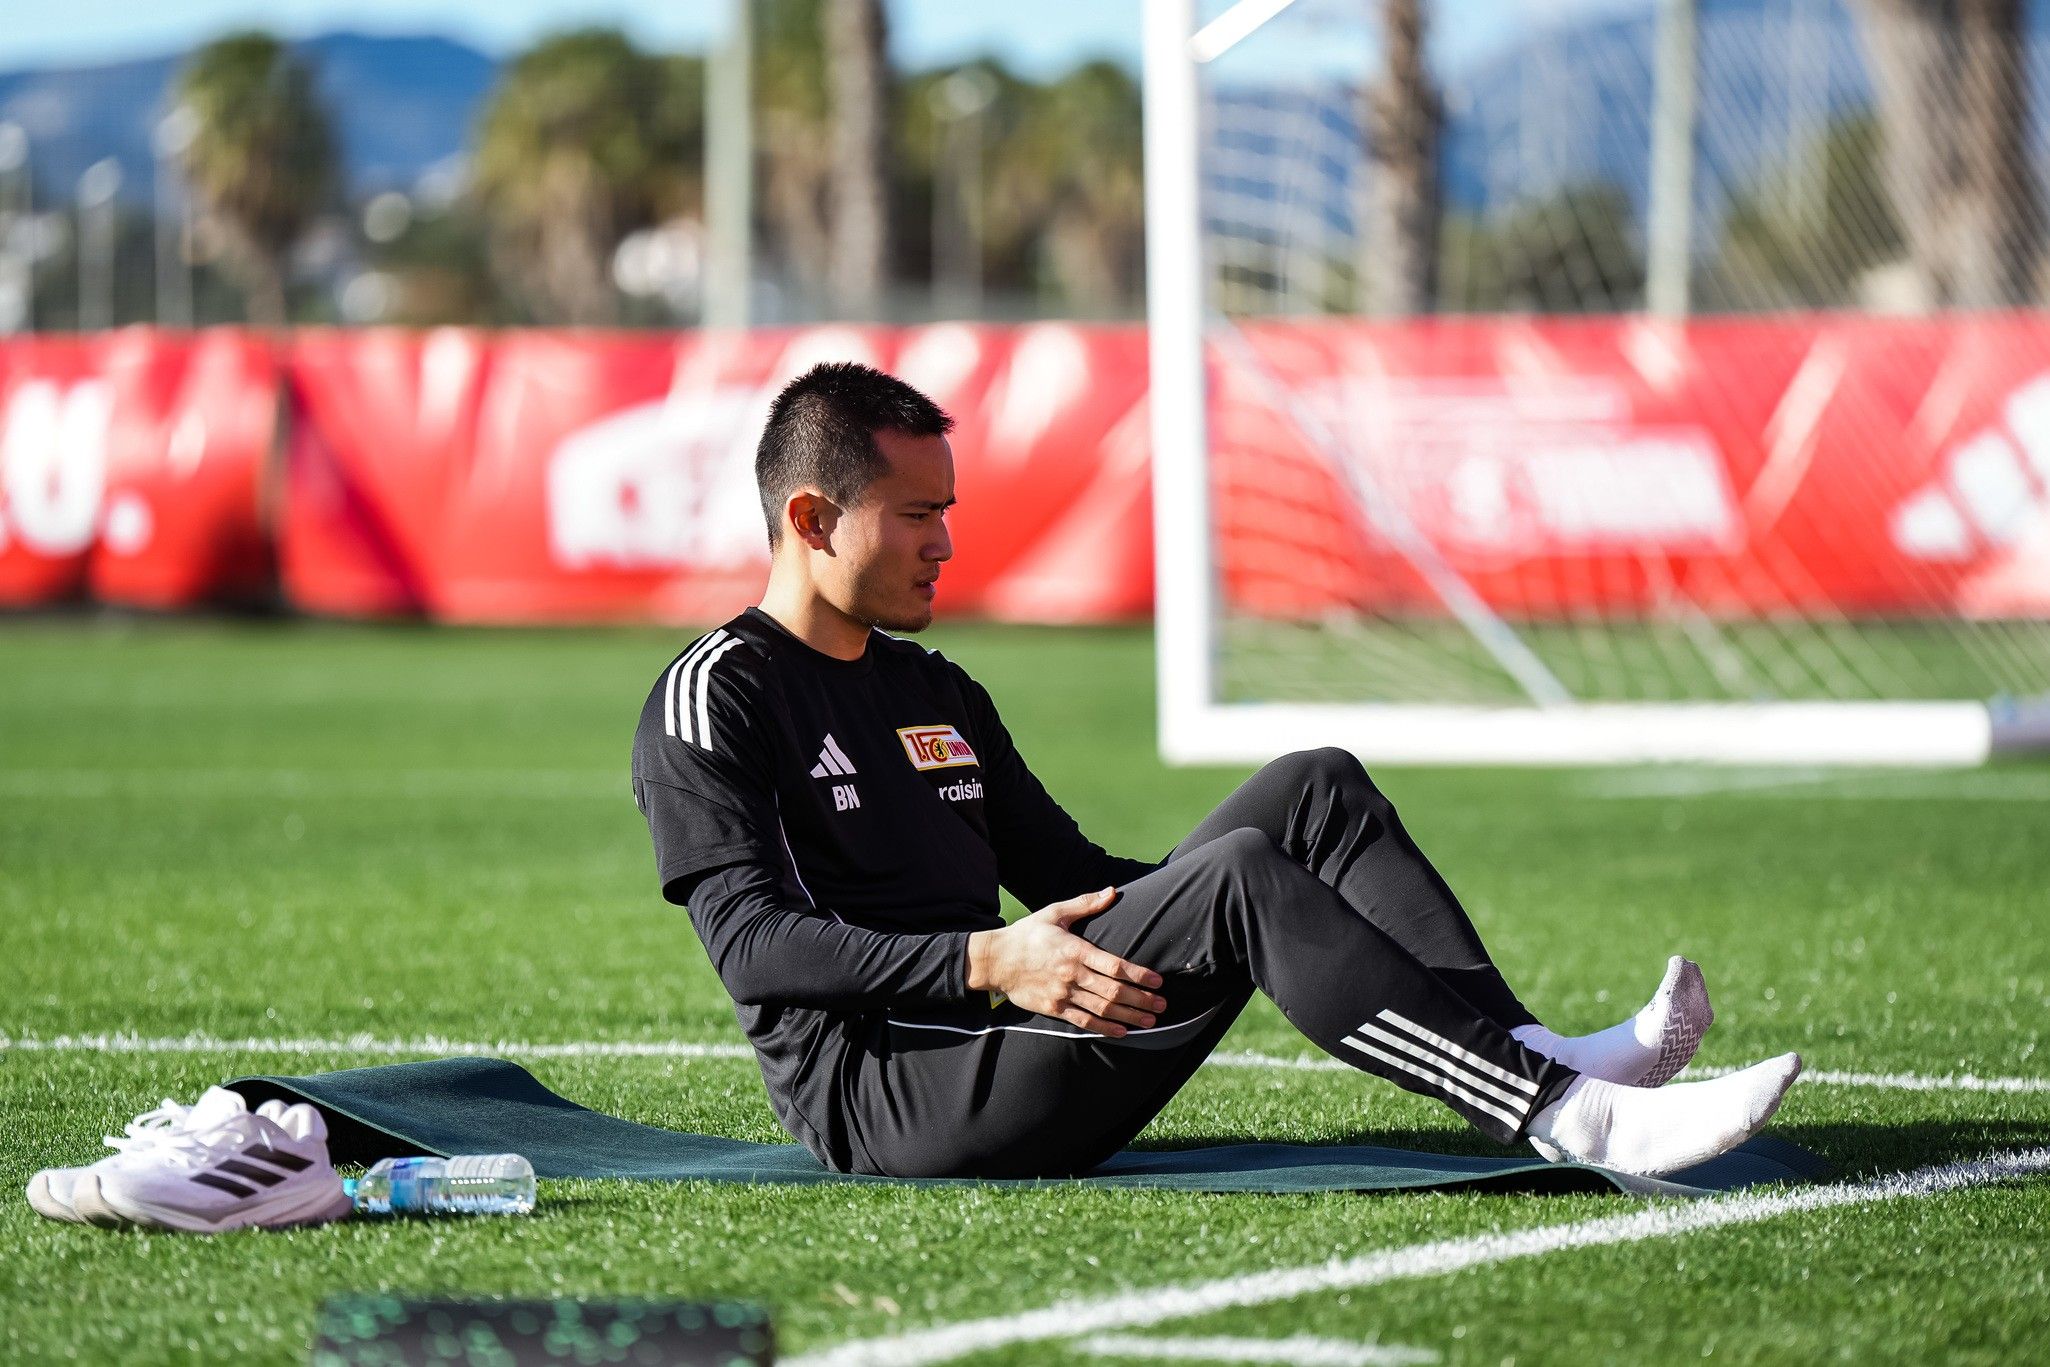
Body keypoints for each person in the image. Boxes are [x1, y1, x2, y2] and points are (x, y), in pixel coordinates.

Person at [630, 361, 1801, 1181]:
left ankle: (1530, 1049)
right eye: (914, 515)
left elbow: (1072, 874)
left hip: (1024, 1026)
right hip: (894, 1097)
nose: (945, 542)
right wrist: (989, 957)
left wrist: (1242, 912)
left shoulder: (933, 688)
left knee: (1312, 788)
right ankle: (1569, 1117)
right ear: (812, 518)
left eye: (948, 509)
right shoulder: (717, 691)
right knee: (1241, 873)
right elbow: (753, 944)